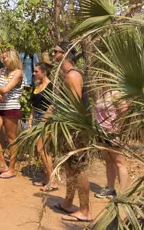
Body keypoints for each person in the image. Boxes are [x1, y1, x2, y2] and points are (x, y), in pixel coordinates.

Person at [50, 42, 92, 223]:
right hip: (69, 128)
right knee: (69, 166)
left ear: (65, 54)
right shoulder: (66, 75)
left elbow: (75, 108)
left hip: (76, 129)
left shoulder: (72, 75)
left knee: (78, 168)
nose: (52, 54)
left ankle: (85, 210)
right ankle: (68, 202)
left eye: (55, 51)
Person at [0, 49, 24, 179]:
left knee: (11, 138)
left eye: (5, 58)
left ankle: (12, 168)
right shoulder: (1, 71)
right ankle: (2, 164)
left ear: (12, 58)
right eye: (2, 58)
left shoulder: (18, 73)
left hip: (11, 108)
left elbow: (5, 89)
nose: (3, 60)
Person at [94, 88, 128, 199]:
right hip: (101, 133)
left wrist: (118, 128)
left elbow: (125, 112)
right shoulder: (102, 93)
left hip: (113, 133)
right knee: (108, 161)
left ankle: (122, 193)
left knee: (119, 163)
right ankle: (110, 189)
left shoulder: (116, 93)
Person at [30, 62, 57, 192]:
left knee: (42, 149)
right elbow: (33, 105)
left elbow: (52, 105)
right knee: (43, 150)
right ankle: (47, 178)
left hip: (47, 119)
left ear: (44, 72)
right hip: (36, 119)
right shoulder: (37, 86)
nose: (34, 74)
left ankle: (53, 180)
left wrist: (43, 121)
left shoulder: (51, 86)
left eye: (36, 71)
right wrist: (30, 121)